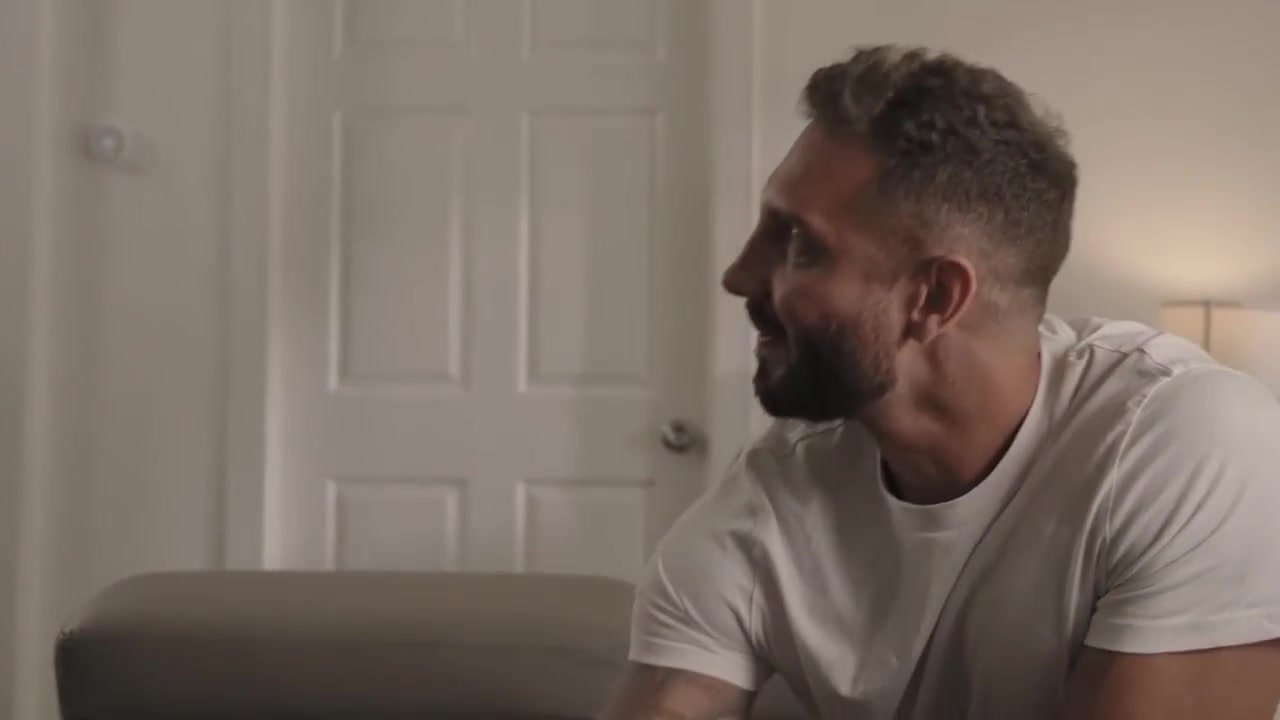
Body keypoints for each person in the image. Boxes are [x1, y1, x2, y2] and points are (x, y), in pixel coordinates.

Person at [601, 45, 1280, 719]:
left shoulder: (1187, 440)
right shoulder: (773, 496)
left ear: (934, 297)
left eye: (800, 244)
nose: (739, 276)